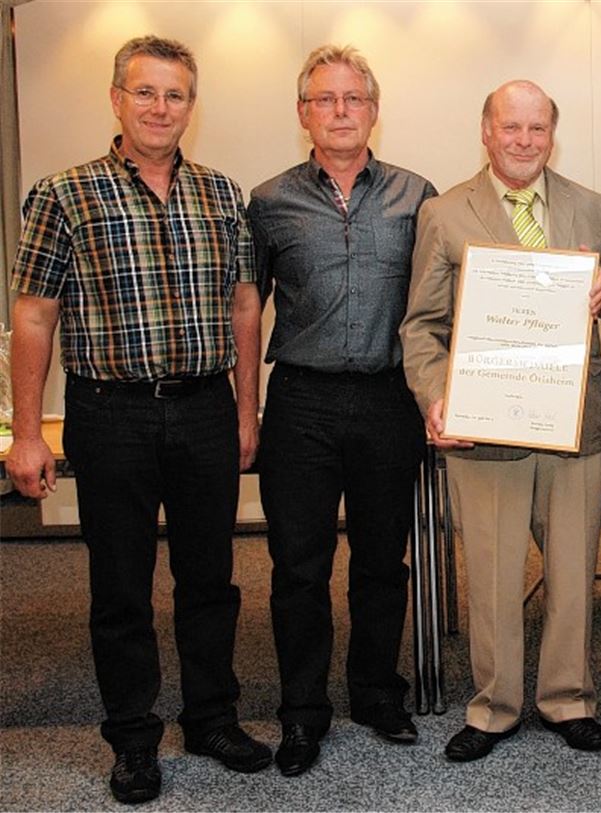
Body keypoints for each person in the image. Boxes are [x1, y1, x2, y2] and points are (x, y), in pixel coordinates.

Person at [7, 35, 269, 804]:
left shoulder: (221, 194)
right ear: (117, 99)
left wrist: (246, 410)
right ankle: (132, 739)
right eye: (145, 92)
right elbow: (33, 316)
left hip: (204, 410)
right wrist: (29, 433)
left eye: (175, 94)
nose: (161, 107)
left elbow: (245, 307)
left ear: (192, 105)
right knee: (120, 587)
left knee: (210, 579)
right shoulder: (64, 194)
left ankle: (212, 717)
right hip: (109, 413)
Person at [400, 79, 601, 762]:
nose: (524, 141)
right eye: (511, 127)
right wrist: (434, 397)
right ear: (486, 131)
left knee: (573, 571)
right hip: (484, 428)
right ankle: (494, 707)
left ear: (552, 135)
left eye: (537, 128)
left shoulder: (590, 205)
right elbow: (421, 326)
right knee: (493, 577)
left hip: (573, 425)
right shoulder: (444, 213)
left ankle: (568, 698)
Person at [247, 45, 435, 778]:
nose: (340, 111)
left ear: (374, 109)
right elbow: (246, 310)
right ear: (303, 113)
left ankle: (377, 693)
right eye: (324, 99)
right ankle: (301, 711)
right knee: (299, 566)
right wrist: (245, 411)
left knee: (382, 561)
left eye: (353, 98)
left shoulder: (419, 196)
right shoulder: (269, 201)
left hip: (389, 400)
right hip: (302, 401)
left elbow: (444, 303)